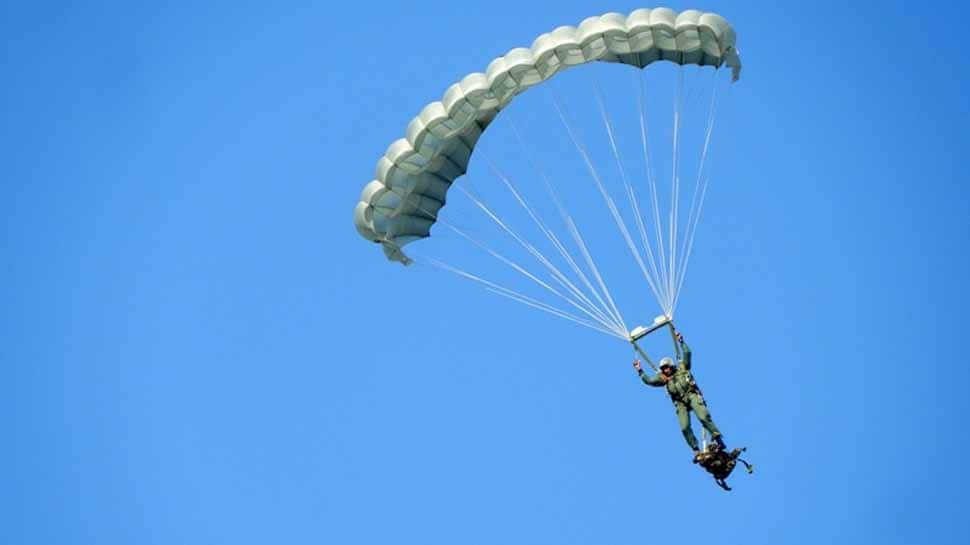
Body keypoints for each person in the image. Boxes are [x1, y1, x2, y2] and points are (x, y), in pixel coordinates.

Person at [633, 331, 726, 461]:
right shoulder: (663, 379)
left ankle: (717, 438)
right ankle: (696, 450)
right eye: (663, 368)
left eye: (667, 367)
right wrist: (640, 371)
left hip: (691, 394)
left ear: (671, 366)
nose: (665, 370)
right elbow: (649, 381)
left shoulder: (683, 367)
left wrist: (681, 342)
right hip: (680, 402)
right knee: (684, 427)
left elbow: (687, 354)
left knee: (703, 416)